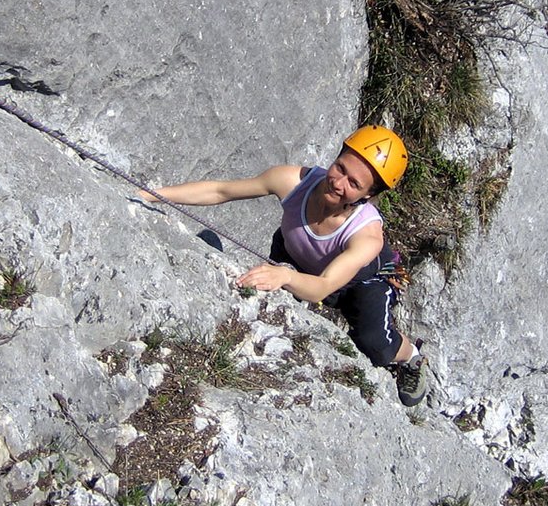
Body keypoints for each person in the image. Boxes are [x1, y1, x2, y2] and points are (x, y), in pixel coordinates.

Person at [141, 125, 429, 407]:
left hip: (362, 282)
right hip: (295, 256)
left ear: (367, 195)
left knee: (374, 344)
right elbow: (220, 191)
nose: (338, 183)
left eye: (353, 184)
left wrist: (286, 276)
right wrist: (148, 194)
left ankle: (411, 357)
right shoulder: (293, 181)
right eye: (340, 168)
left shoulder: (366, 236)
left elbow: (323, 287)